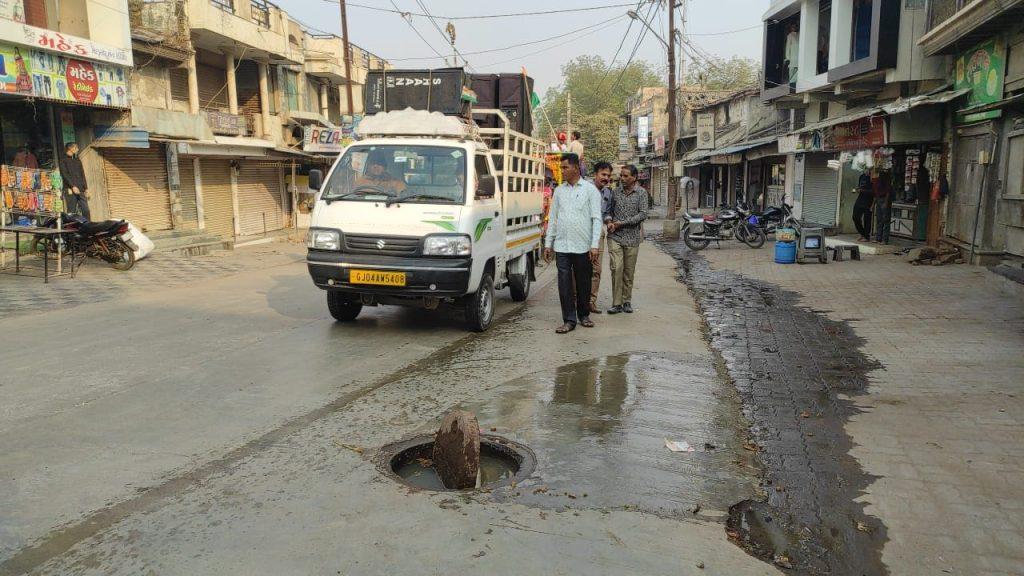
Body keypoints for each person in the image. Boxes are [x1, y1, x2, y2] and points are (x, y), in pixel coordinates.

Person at [543, 153, 602, 334]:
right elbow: (553, 218)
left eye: (565, 167)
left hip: (583, 246)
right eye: (561, 168)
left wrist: (594, 245)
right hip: (562, 246)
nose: (562, 171)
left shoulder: (590, 190)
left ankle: (583, 315)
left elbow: (596, 219)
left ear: (576, 168)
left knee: (584, 281)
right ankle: (569, 320)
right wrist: (548, 243)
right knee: (564, 283)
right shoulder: (559, 191)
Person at [606, 165, 648, 315]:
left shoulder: (642, 193)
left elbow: (643, 214)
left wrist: (622, 223)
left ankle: (626, 301)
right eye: (621, 176)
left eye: (625, 176)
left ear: (634, 177)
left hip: (632, 238)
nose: (622, 179)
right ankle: (616, 303)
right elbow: (608, 211)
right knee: (616, 268)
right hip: (615, 236)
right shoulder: (615, 192)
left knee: (628, 272)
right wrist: (610, 221)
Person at [588, 161, 615, 314]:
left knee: (596, 269)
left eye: (608, 176)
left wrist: (609, 221)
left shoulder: (607, 193)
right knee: (579, 268)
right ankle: (576, 300)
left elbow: (607, 213)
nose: (606, 178)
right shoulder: (584, 189)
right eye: (603, 174)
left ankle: (591, 301)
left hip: (599, 235)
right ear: (595, 174)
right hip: (583, 234)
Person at [59, 142, 90, 220]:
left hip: (81, 189)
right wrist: (73, 186)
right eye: (76, 148)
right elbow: (65, 175)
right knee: (71, 211)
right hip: (70, 189)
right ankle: (70, 229)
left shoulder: (77, 159)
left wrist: (86, 188)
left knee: (86, 210)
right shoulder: (63, 160)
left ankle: (88, 226)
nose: (78, 149)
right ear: (70, 149)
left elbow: (82, 174)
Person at [852, 172, 873, 242]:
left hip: (869, 201)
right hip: (860, 199)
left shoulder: (873, 177)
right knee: (855, 217)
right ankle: (862, 233)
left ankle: (866, 236)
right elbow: (860, 187)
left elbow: (874, 191)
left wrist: (863, 190)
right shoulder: (862, 176)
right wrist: (857, 189)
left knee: (867, 219)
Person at [872, 170, 892, 244]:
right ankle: (878, 238)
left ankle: (885, 239)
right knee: (879, 220)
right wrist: (873, 204)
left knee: (885, 220)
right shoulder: (875, 180)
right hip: (879, 199)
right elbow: (875, 193)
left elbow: (888, 191)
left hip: (884, 199)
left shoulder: (883, 178)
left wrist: (886, 202)